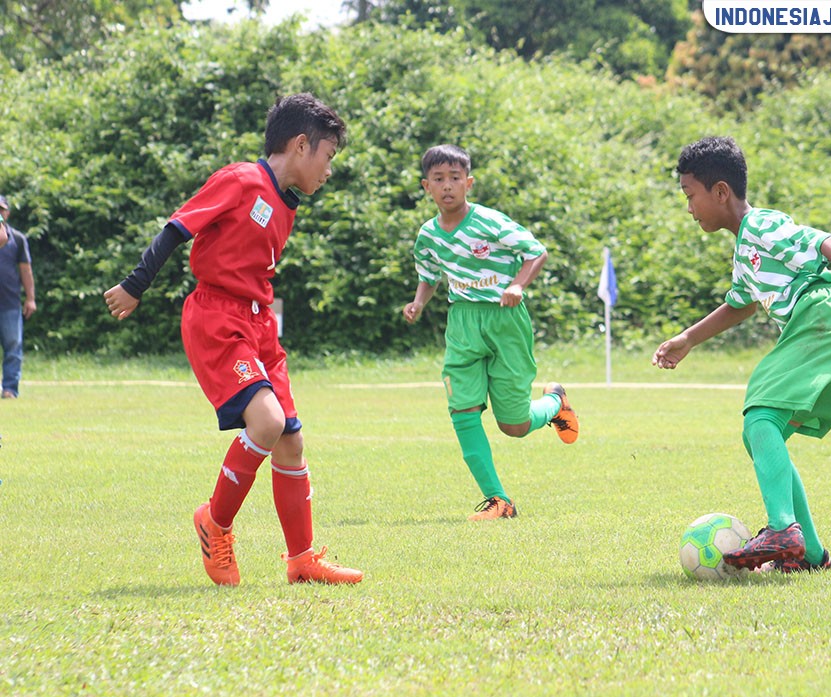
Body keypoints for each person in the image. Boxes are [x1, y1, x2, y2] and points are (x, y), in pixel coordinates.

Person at [103, 93, 364, 586]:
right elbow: (177, 229)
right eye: (328, 157)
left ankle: (301, 559)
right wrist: (135, 285)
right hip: (217, 318)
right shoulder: (242, 179)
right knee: (265, 422)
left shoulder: (286, 204)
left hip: (260, 323)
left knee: (290, 439)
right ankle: (214, 523)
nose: (329, 171)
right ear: (301, 144)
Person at [652, 136, 831, 572]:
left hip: (822, 318)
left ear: (720, 192)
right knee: (759, 432)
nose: (689, 208)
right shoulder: (744, 250)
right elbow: (741, 303)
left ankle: (782, 529)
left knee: (760, 416)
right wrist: (689, 338)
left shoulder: (761, 225)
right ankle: (809, 554)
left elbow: (819, 240)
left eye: (690, 196)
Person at [403, 144, 579, 521]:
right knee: (462, 409)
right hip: (463, 323)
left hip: (505, 320)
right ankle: (499, 501)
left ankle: (554, 402)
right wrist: (419, 302)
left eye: (454, 178)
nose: (447, 186)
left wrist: (517, 285)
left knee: (513, 425)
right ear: (426, 187)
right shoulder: (428, 235)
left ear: (469, 183)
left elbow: (536, 252)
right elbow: (429, 275)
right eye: (438, 179)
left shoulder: (491, 222)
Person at [0, 195, 37, 399]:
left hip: (9, 301)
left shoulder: (17, 238)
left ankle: (10, 389)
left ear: (8, 212)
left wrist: (30, 298)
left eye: (1, 209)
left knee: (13, 345)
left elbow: (26, 270)